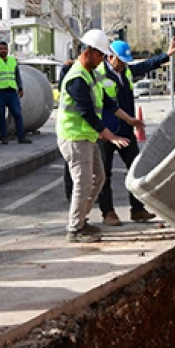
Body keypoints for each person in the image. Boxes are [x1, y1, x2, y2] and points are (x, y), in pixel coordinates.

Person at [57, 30, 135, 243]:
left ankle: (81, 221)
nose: (103, 59)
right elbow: (87, 113)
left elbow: (108, 103)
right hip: (74, 138)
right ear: (89, 52)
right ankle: (75, 228)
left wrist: (129, 120)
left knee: (98, 179)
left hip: (87, 137)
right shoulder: (76, 78)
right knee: (83, 183)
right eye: (100, 54)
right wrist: (110, 137)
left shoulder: (92, 73)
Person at [94, 38, 175, 226]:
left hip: (125, 131)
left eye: (126, 61)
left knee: (136, 169)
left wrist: (166, 55)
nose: (124, 64)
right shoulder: (97, 74)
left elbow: (146, 66)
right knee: (104, 174)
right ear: (110, 57)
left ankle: (138, 209)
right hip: (105, 133)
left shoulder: (127, 72)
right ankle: (108, 212)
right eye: (121, 61)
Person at [0, 41, 31, 145]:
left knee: (17, 114)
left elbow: (17, 75)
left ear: (7, 50)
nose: (3, 51)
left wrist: (20, 88)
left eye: (5, 49)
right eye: (1, 49)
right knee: (1, 114)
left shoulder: (12, 61)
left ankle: (21, 137)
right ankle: (4, 136)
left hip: (11, 91)